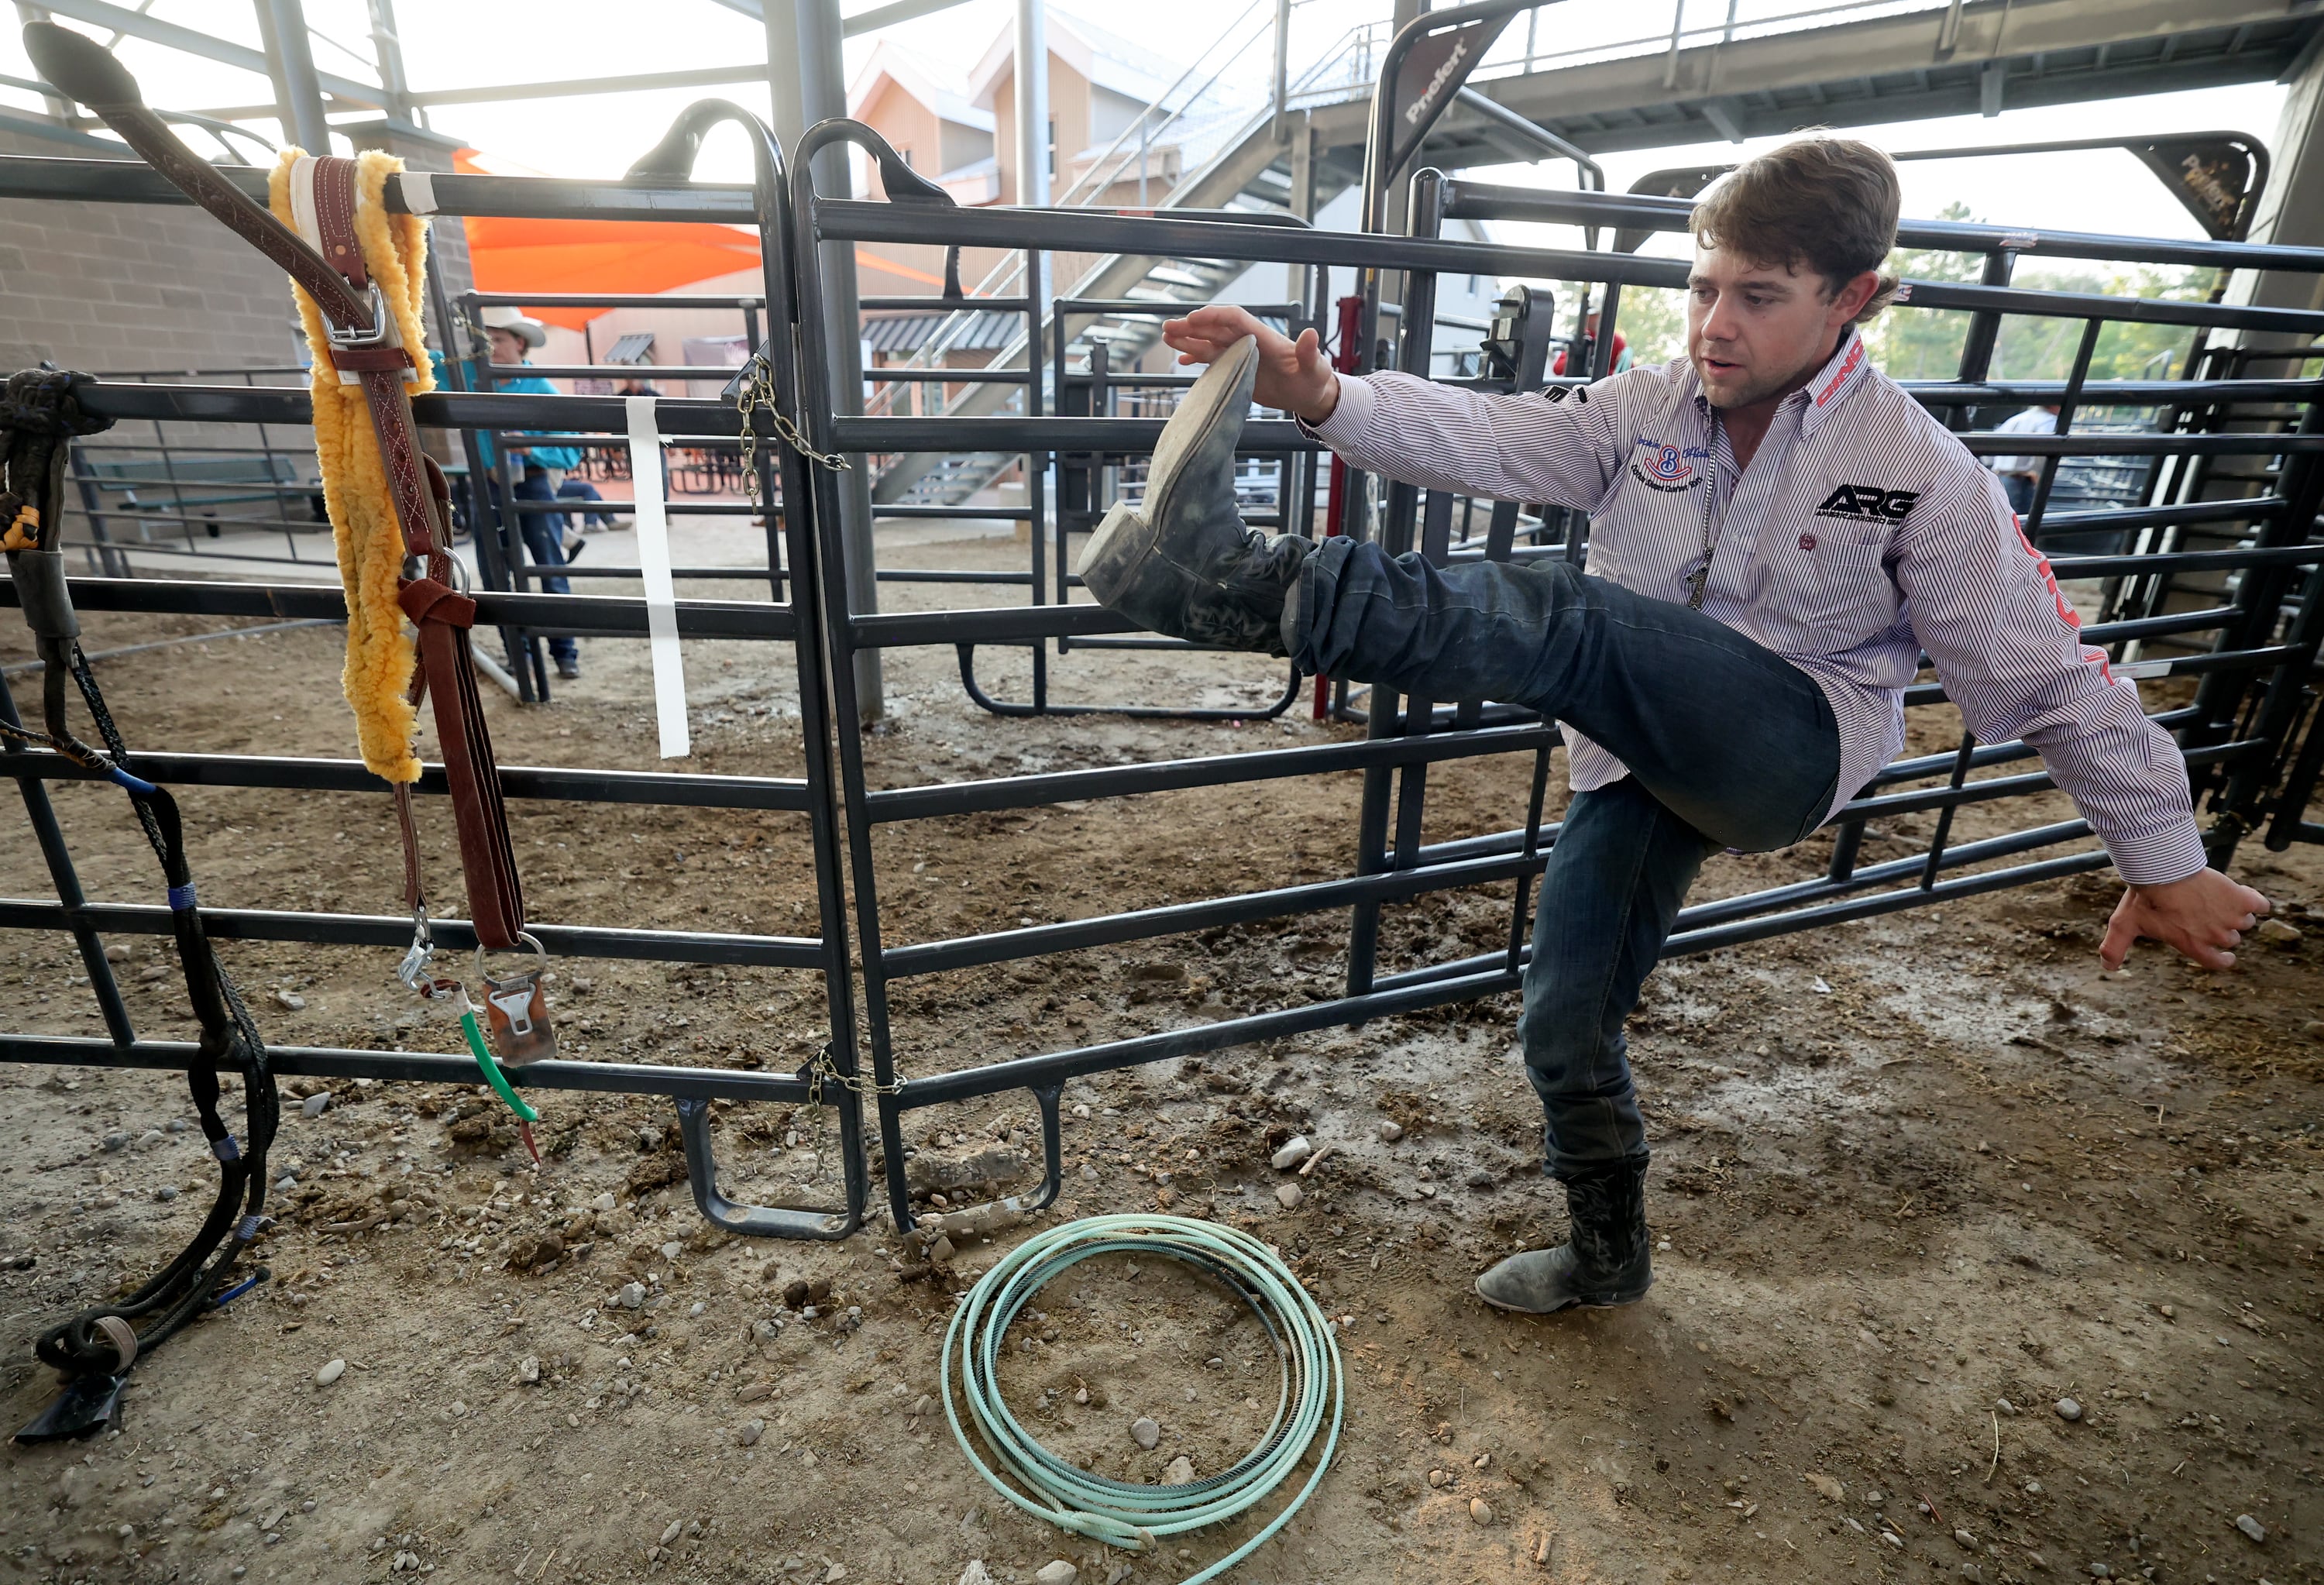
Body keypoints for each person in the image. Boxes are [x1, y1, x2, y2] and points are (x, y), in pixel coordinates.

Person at [1076, 136, 2270, 1317]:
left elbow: (2052, 671)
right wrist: (1323, 394)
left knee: (1576, 621)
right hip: (1637, 750)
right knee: (1564, 1014)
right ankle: (1608, 1250)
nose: (1715, 324)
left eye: (1759, 296)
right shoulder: (1648, 405)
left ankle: (1240, 579)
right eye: (1705, 287)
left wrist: (2162, 858)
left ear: (1854, 299)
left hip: (1784, 744)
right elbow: (1492, 436)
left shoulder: (1918, 470)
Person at [479, 305, 584, 680]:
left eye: (499, 338)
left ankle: (564, 653)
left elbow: (572, 449)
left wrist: (531, 448)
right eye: (485, 337)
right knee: (495, 575)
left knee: (548, 568)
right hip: (489, 482)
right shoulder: (471, 378)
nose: (490, 345)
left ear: (520, 343)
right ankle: (519, 655)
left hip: (533, 481)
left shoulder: (541, 387)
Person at [1987, 403, 2061, 515]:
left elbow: (1989, 452)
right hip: (2023, 481)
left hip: (1999, 478)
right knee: (2021, 525)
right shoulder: (2049, 421)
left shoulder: (2015, 419)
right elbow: (2044, 451)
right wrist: (2039, 475)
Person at [1548, 310, 1629, 377]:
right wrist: (1577, 359)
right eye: (1590, 316)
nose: (1592, 319)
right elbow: (1557, 369)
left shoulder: (1615, 340)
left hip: (1604, 388)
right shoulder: (1580, 339)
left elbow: (1627, 370)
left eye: (1596, 316)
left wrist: (1605, 373)